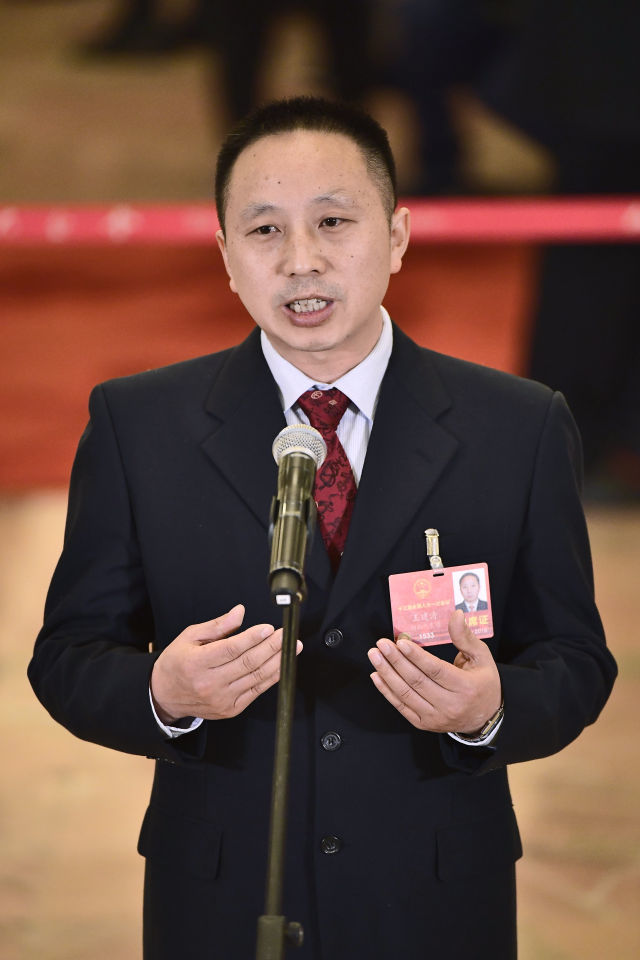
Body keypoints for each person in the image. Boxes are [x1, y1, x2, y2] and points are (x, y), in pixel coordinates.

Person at [28, 96, 616, 960]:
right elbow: (68, 655)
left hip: (433, 899)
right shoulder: (138, 426)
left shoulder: (517, 427)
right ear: (226, 256)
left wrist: (490, 710)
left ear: (398, 235)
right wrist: (164, 694)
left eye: (334, 221)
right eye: (264, 230)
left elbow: (576, 660)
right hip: (224, 897)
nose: (301, 260)